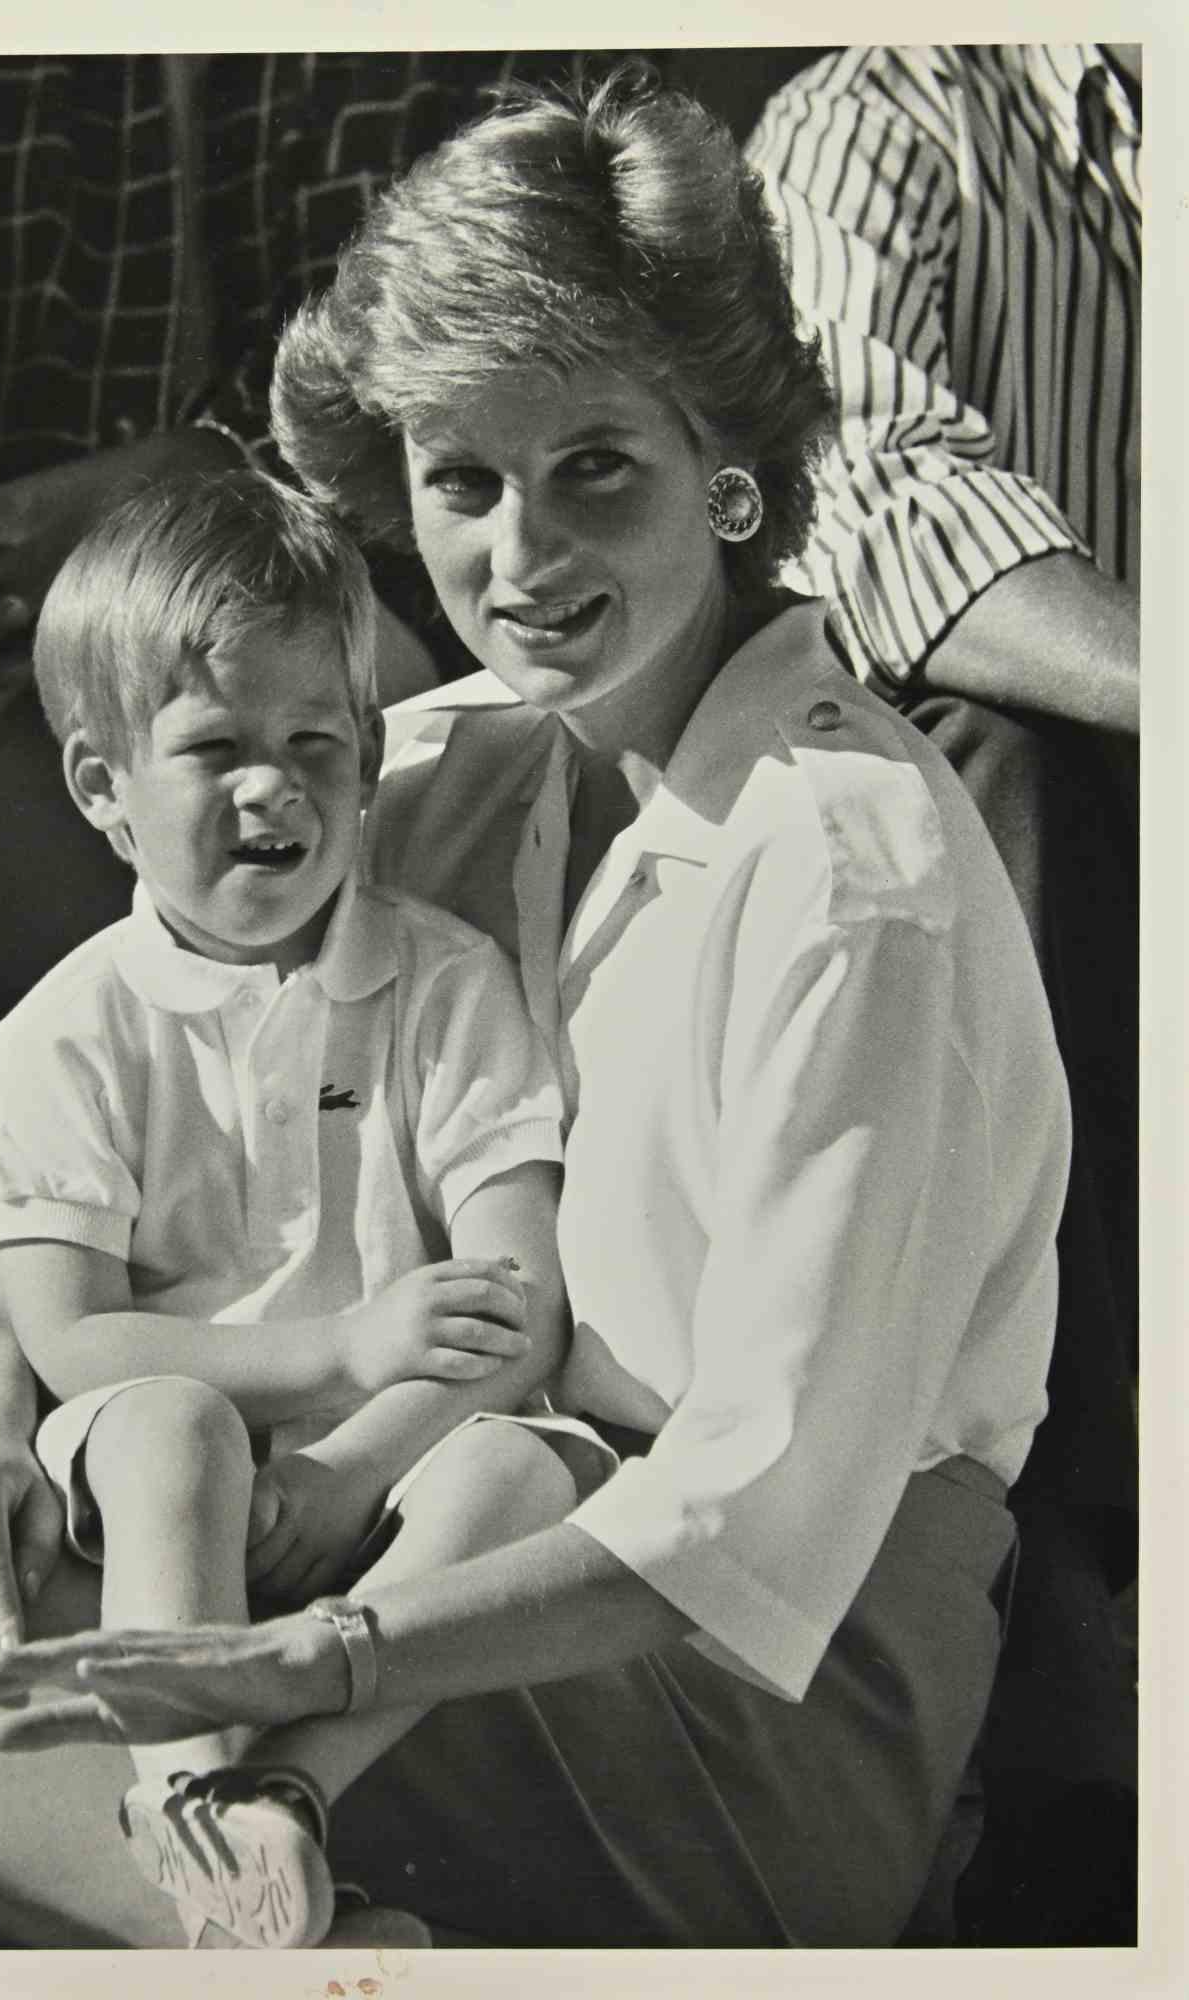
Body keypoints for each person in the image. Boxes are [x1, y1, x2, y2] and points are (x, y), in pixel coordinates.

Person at [0, 70, 1069, 1948]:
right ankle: (313, 1935)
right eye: (462, 483)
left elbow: (735, 1534)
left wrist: (287, 1674)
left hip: (729, 1705)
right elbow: (104, 1126)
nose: (525, 561)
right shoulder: (434, 770)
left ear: (727, 471)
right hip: (400, 1563)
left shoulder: (852, 872)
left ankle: (299, 1942)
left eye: (597, 471)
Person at [0, 52, 608, 1064]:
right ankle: (178, 1109)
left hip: (348, 620)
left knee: (331, 663)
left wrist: (164, 481)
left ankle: (275, 1106)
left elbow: (493, 368)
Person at [0, 468, 595, 1946]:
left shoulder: (443, 986)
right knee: (173, 1422)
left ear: (370, 757)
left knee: (532, 1465)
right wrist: (330, 1358)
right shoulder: (67, 1031)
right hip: (159, 1481)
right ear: (101, 790)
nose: (276, 787)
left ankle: (282, 1809)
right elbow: (68, 1341)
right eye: (215, 747)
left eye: (316, 741)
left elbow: (519, 1303)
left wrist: (351, 1466)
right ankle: (188, 1800)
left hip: (387, 1472)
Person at [747, 45, 1140, 1931]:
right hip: (1051, 845)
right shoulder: (886, 128)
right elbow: (877, 498)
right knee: (991, 746)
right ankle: (1052, 1665)